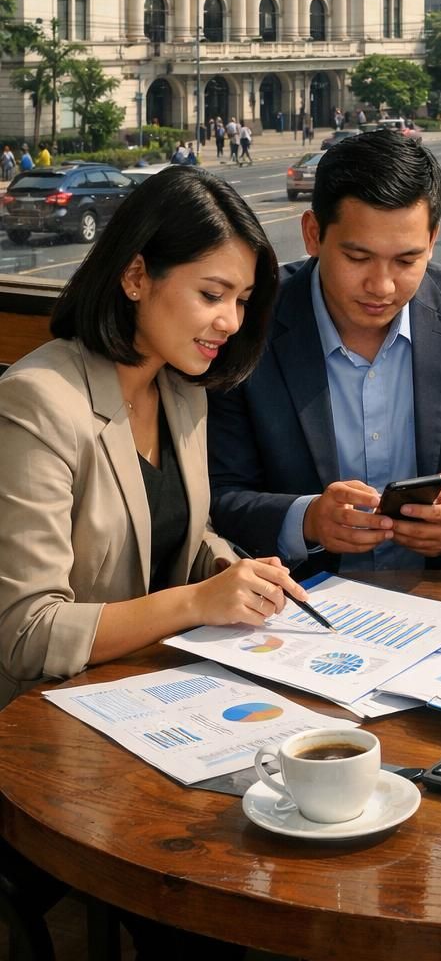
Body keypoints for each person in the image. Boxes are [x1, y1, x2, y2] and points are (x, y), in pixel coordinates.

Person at [0, 168, 305, 959]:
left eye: (241, 301)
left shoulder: (181, 391)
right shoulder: (37, 401)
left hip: (143, 709)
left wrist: (243, 571)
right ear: (136, 274)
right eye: (212, 294)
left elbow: (178, 535)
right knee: (226, 907)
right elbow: (26, 634)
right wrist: (202, 601)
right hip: (38, 737)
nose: (230, 322)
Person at [208, 133, 441, 577]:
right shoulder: (249, 320)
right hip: (296, 604)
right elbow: (217, 492)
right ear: (312, 234)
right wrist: (307, 520)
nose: (381, 287)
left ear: (433, 240)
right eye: (358, 257)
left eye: (406, 261)